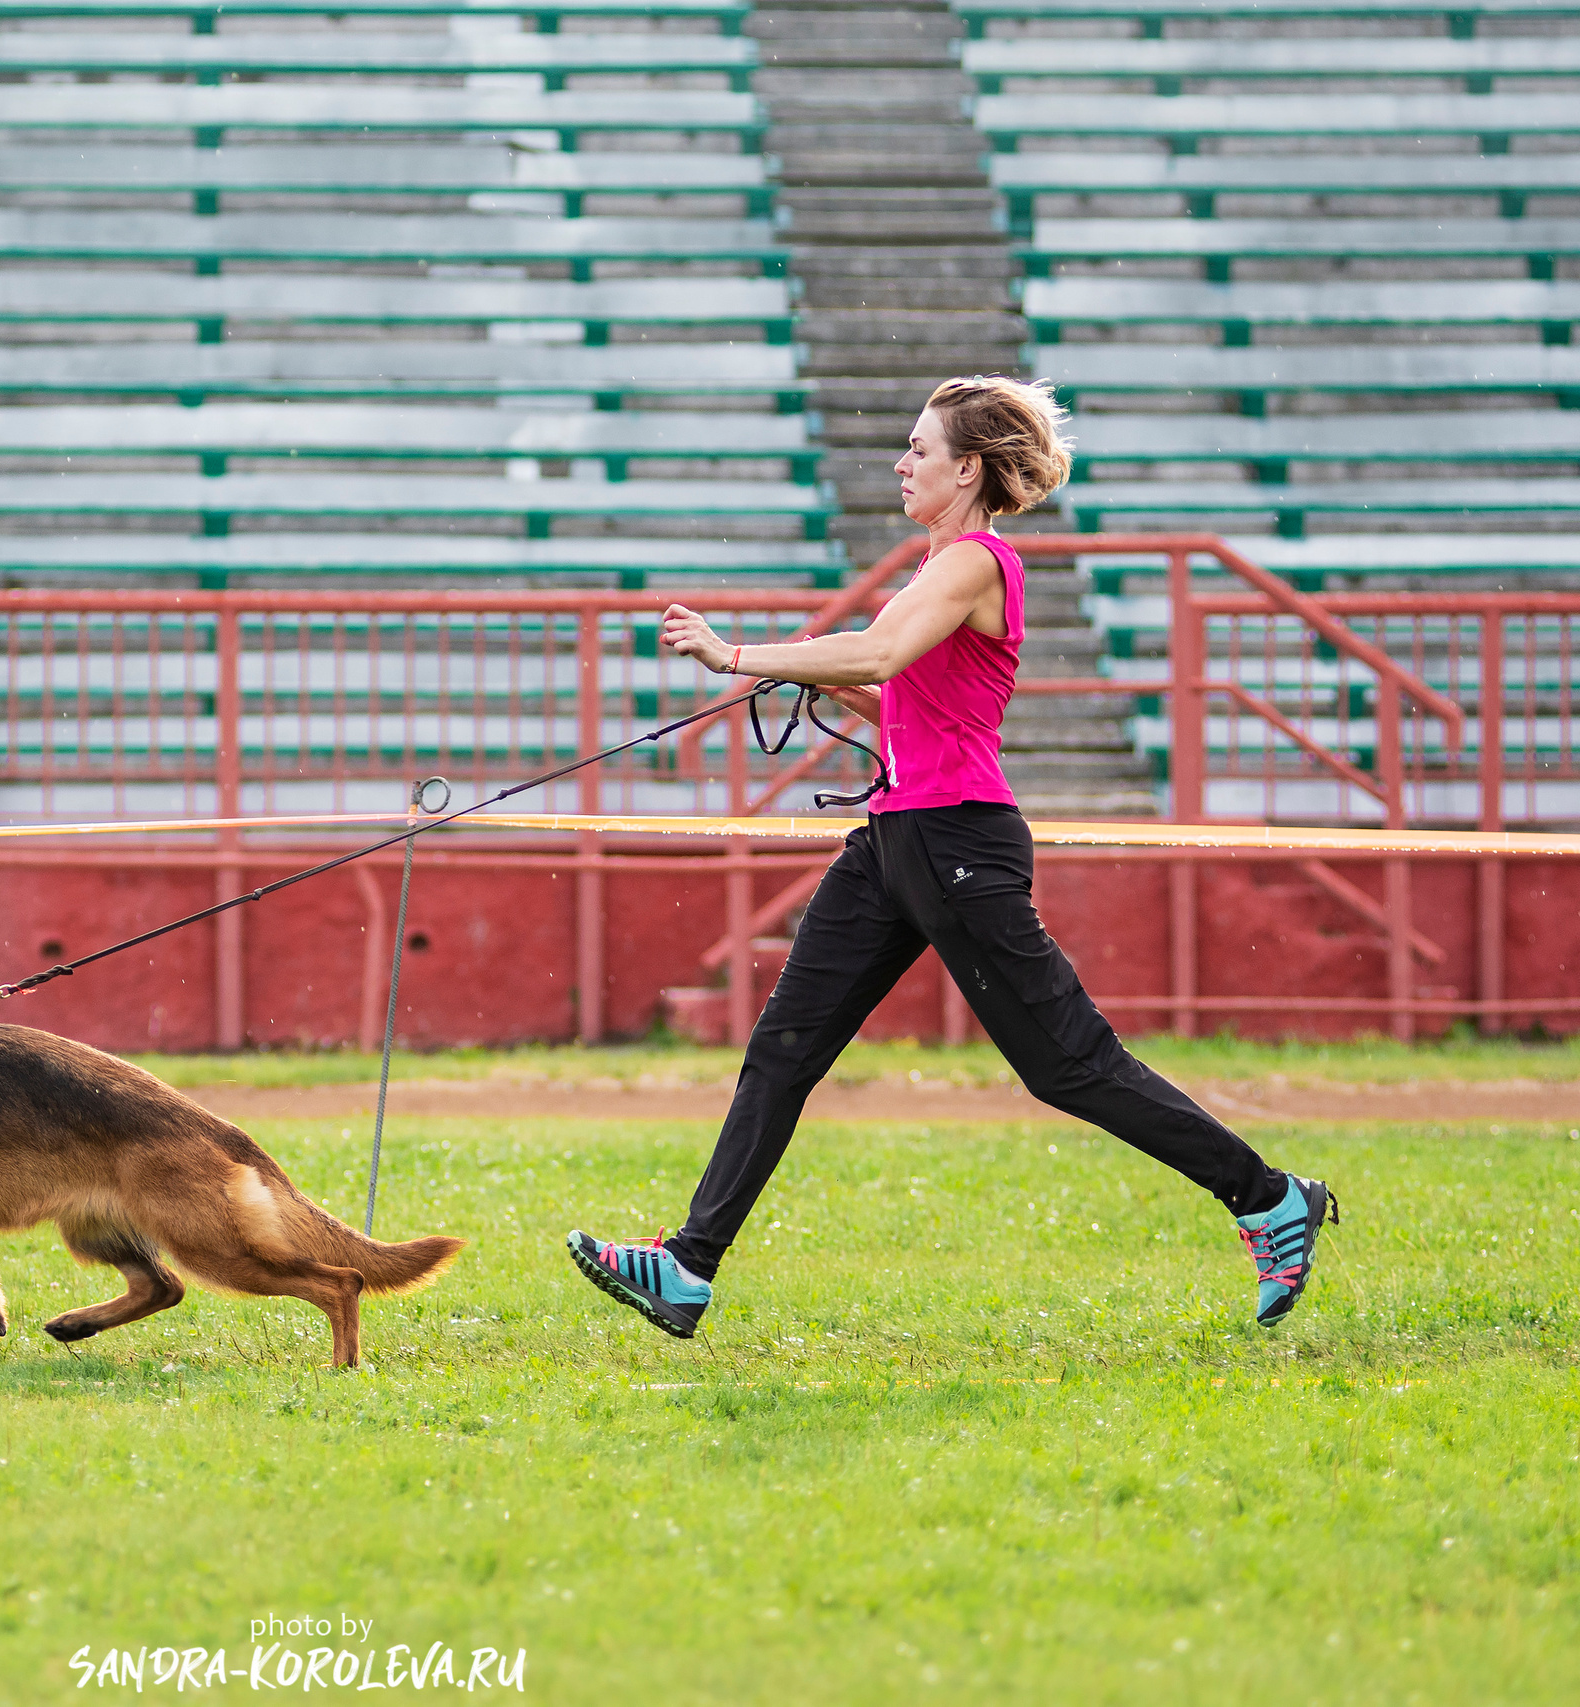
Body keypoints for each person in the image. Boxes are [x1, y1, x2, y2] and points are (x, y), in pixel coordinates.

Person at [565, 375, 1338, 1338]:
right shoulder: (937, 570)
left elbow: (880, 655)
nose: (901, 463)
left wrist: (737, 657)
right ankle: (688, 1268)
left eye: (920, 451)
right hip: (896, 838)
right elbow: (901, 703)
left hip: (961, 840)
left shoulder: (974, 561)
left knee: (1071, 1068)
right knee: (784, 1049)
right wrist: (820, 684)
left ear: (967, 469)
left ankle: (1268, 1200)